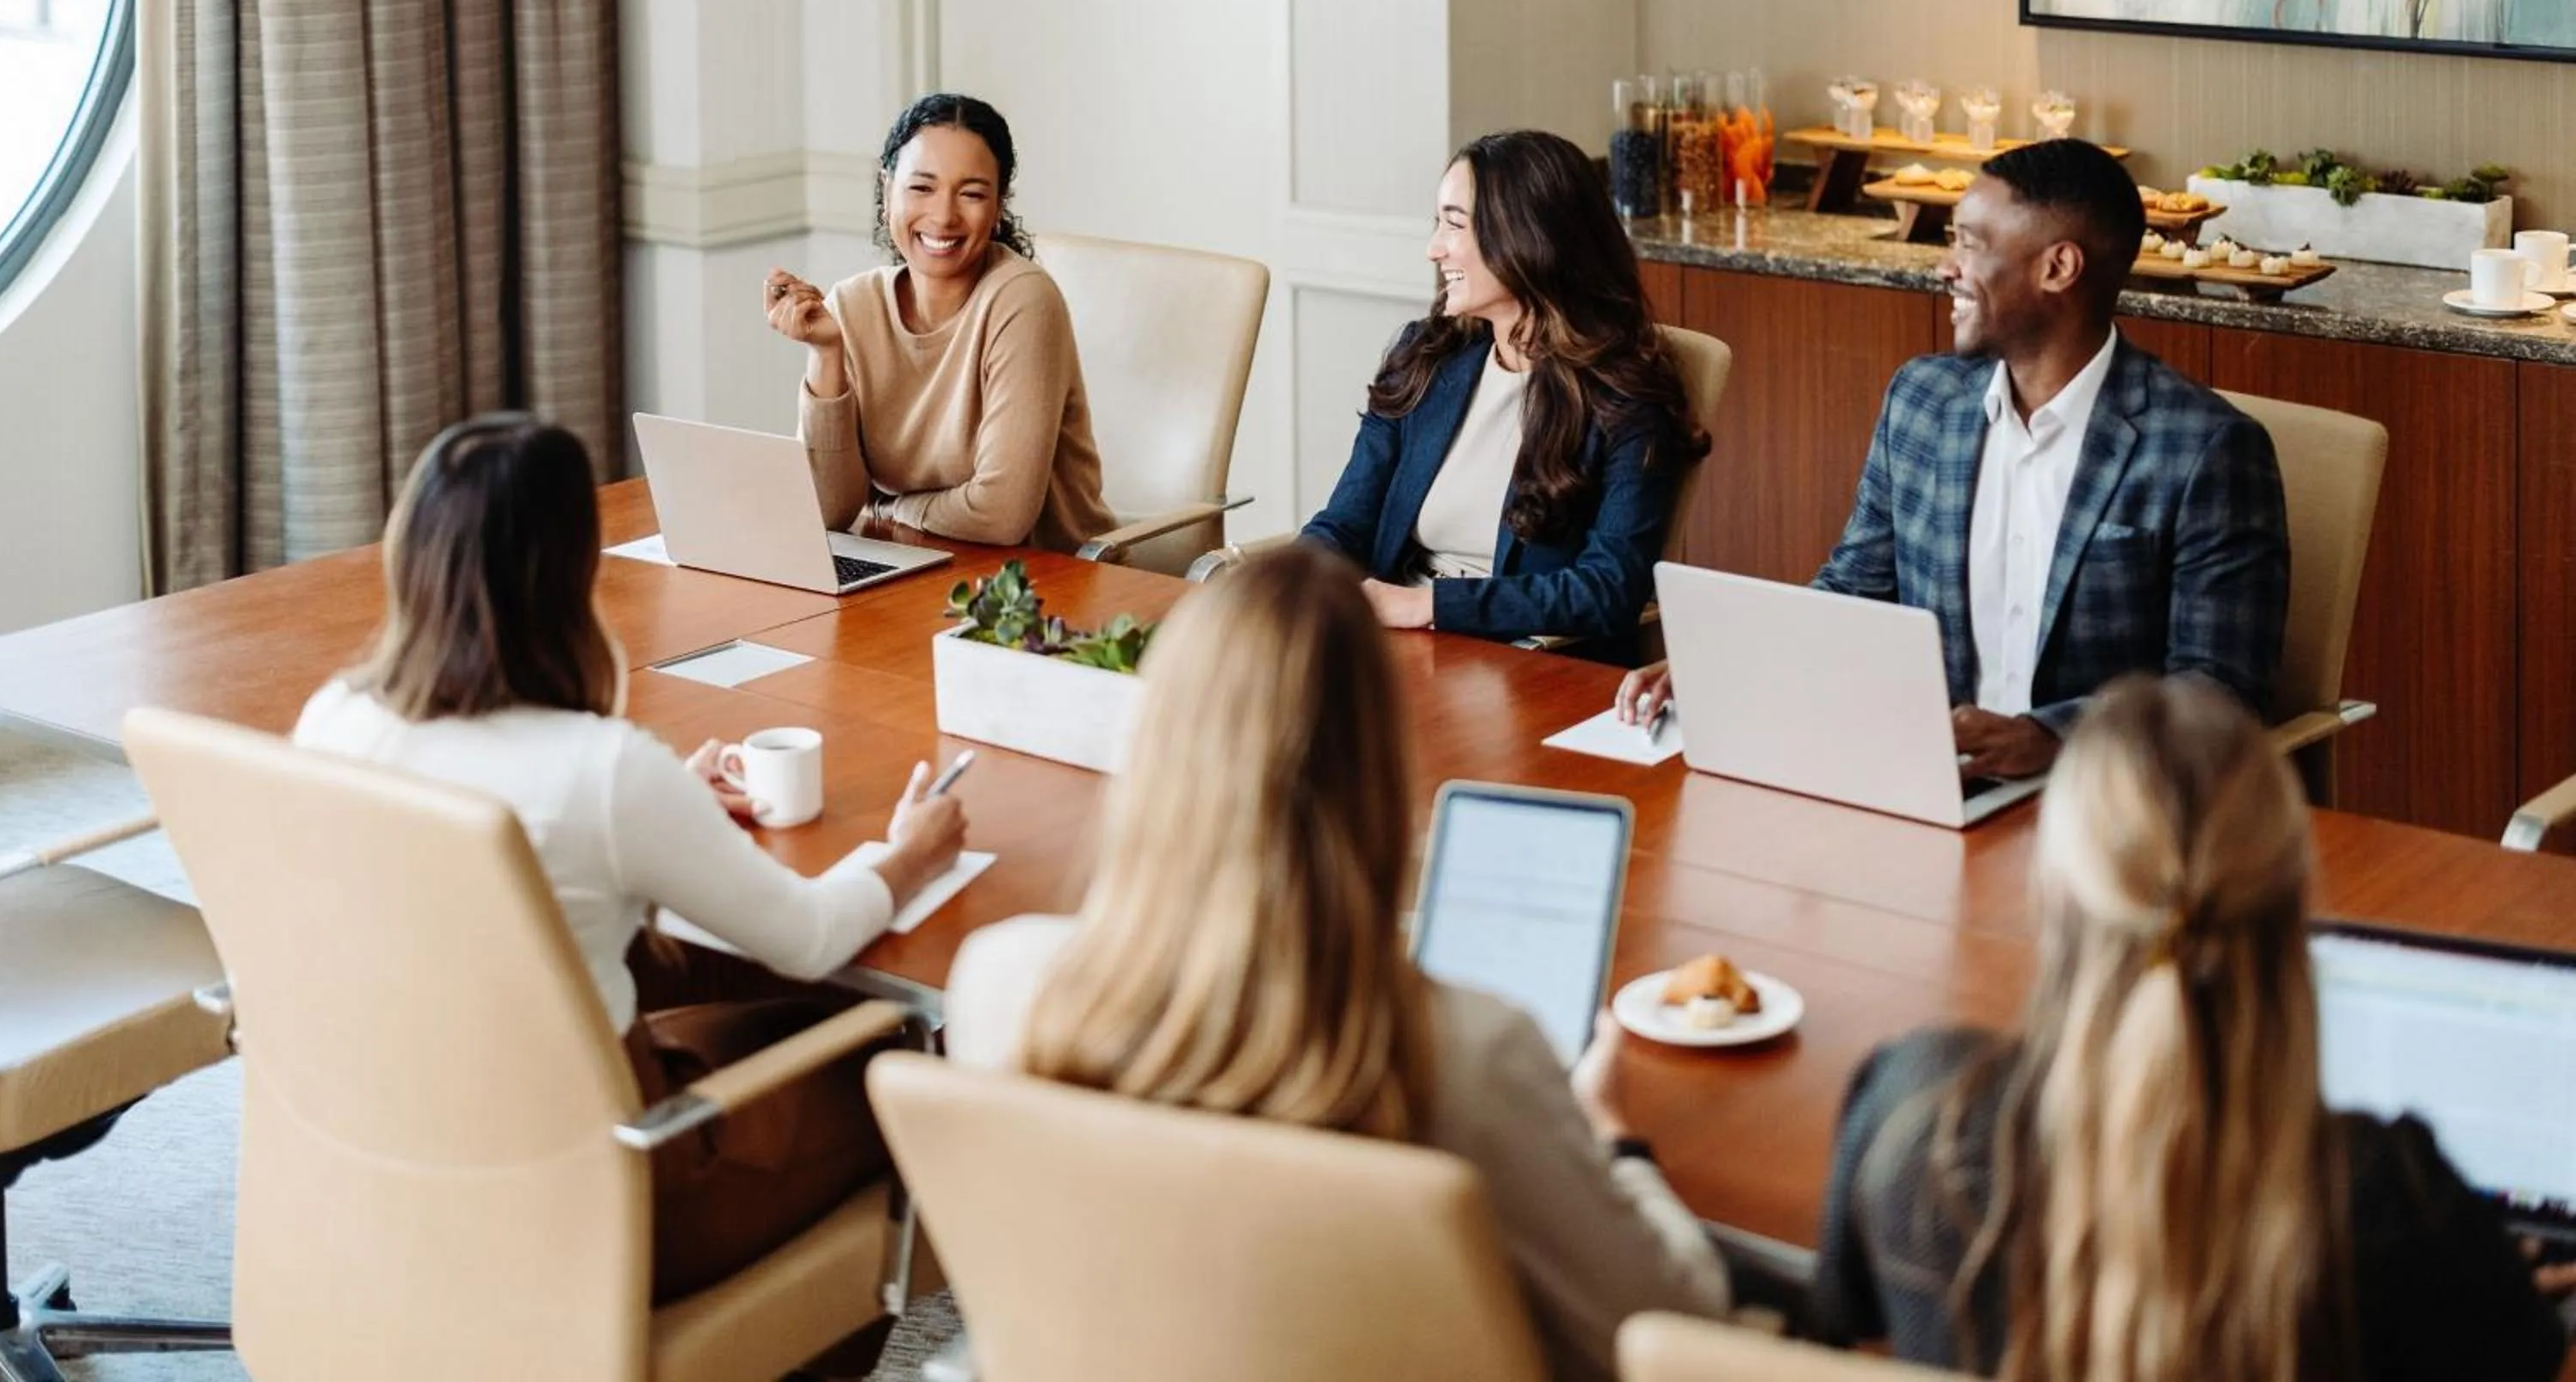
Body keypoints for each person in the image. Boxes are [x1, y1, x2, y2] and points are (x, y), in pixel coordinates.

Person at [940, 547, 1732, 1381]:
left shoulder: (998, 984)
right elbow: (1674, 1327)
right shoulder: (1469, 1055)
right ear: (1382, 771)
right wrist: (1616, 1140)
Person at [293, 413, 968, 1305]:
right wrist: (906, 854)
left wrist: (668, 806)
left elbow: (514, 868)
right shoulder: (600, 772)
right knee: (906, 1061)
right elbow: (807, 937)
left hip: (408, 1147)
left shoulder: (333, 718)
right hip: (620, 1192)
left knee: (759, 1001)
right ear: (570, 570)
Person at [1811, 674, 2567, 1381]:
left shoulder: (1911, 1113)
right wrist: (2485, 1279)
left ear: (2049, 900)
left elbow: (1835, 1318)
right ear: (2293, 901)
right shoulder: (2395, 1204)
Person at [1620, 138, 2287, 778]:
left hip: (2103, 809)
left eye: (1970, 244)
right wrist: (1732, 659)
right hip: (1929, 780)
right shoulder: (1923, 402)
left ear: (2058, 268)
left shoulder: (2206, 450)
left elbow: (2218, 695)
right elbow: (1854, 593)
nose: (1947, 267)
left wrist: (2048, 739)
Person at [1300, 129, 1709, 661]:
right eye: (1437, 222)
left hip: (1520, 662)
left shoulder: (1624, 396)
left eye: (1454, 224)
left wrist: (1430, 605)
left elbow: (1609, 589)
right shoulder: (1425, 356)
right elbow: (1346, 522)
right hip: (1387, 649)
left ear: (1527, 237)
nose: (1433, 248)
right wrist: (1290, 588)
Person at [763, 91, 1114, 551]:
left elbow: (1003, 515)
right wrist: (827, 353)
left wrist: (895, 509)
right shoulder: (852, 304)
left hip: (1043, 589)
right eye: (922, 187)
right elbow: (830, 512)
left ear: (998, 205)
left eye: (971, 194)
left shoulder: (1023, 300)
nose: (944, 216)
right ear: (888, 191)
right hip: (919, 570)